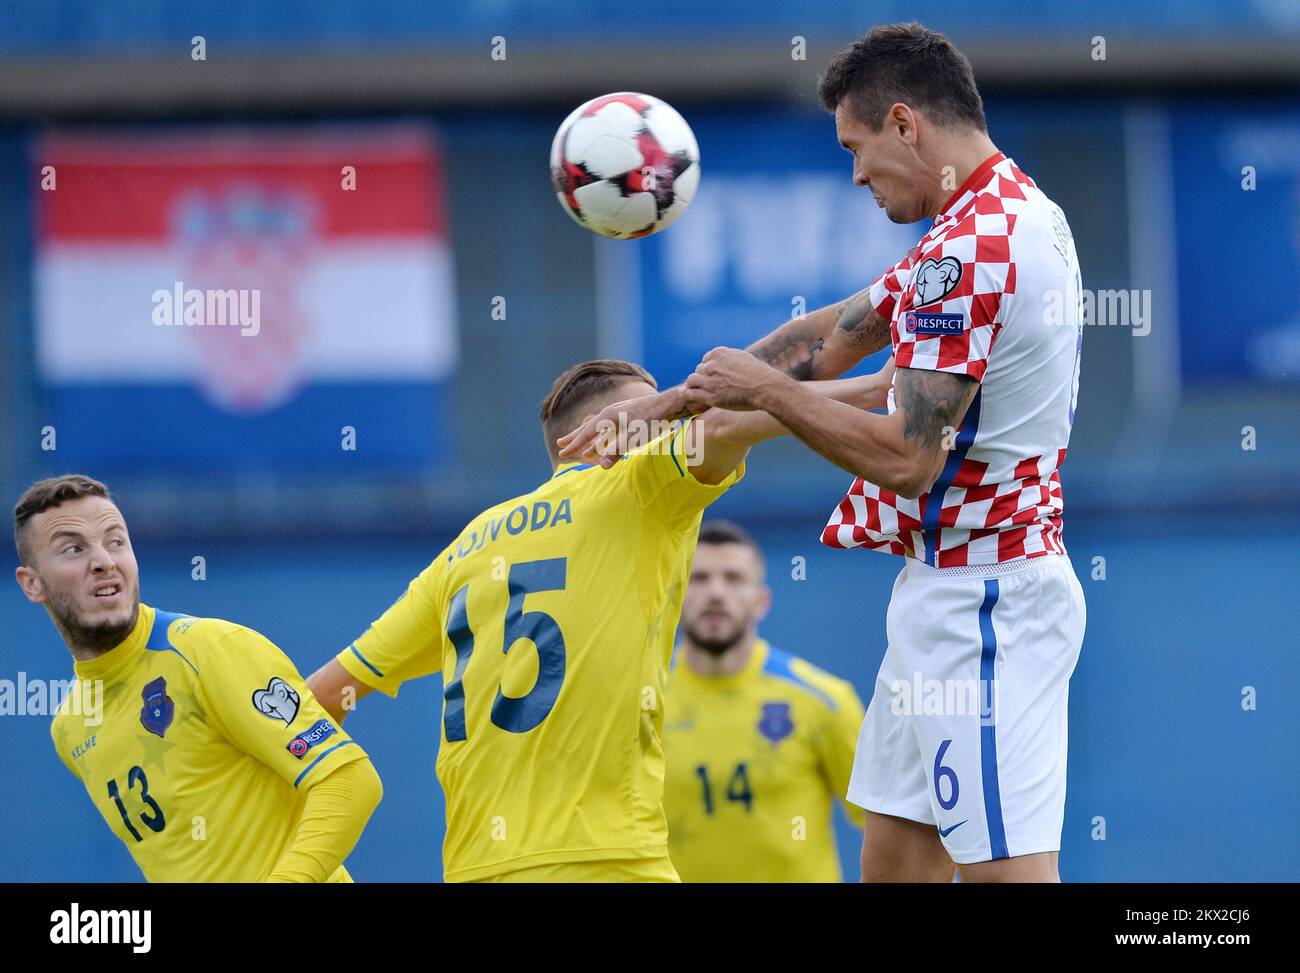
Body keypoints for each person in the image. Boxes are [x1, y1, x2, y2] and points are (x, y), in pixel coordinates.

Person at [561, 22, 1087, 883]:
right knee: (894, 863)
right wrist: (674, 403)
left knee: (1006, 877)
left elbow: (907, 456)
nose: (855, 174)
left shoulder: (972, 248)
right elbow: (835, 340)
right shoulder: (997, 213)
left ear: (907, 124)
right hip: (940, 594)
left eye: (858, 146)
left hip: (989, 602)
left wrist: (762, 395)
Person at [307, 358, 887, 882]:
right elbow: (726, 426)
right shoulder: (635, 486)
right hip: (607, 862)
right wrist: (880, 387)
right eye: (654, 412)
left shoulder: (463, 552)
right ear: (606, 431)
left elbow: (325, 696)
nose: (667, 420)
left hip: (477, 866)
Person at [14, 474, 382, 882]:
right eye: (73, 549)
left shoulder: (209, 649)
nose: (104, 561)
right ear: (32, 584)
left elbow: (350, 778)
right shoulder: (70, 728)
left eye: (116, 541)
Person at [664, 520, 865, 882]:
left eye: (733, 578)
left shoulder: (824, 701)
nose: (715, 592)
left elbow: (886, 824)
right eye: (699, 578)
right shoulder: (639, 706)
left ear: (761, 601)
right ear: (675, 595)